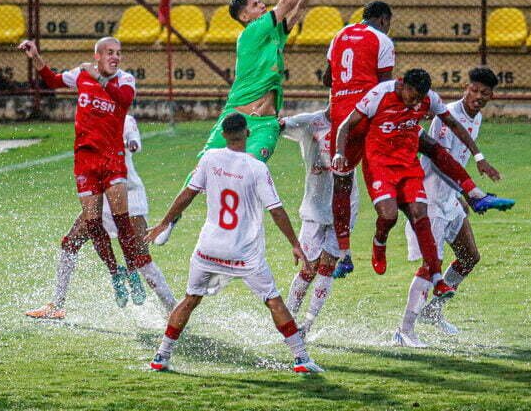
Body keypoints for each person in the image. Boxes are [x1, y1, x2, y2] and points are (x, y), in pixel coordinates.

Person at [153, 0, 334, 246]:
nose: (260, 5)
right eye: (254, 4)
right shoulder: (250, 34)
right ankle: (169, 221)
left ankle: (235, 239)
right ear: (244, 16)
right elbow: (286, 3)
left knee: (249, 176)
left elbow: (297, 8)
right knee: (201, 172)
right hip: (235, 118)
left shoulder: (273, 33)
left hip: (265, 125)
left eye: (259, 1)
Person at [322, 1, 514, 275]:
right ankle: (473, 194)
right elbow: (388, 90)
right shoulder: (382, 40)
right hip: (374, 116)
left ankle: (345, 253)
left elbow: (329, 78)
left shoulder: (339, 36)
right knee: (432, 148)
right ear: (385, 19)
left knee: (342, 182)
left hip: (343, 116)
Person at [144, 114, 323, 374]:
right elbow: (276, 210)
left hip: (209, 250)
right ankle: (301, 359)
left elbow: (187, 194)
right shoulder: (256, 168)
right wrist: (295, 243)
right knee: (273, 302)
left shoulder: (210, 158)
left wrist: (164, 223)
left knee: (190, 300)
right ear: (247, 134)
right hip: (244, 253)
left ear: (225, 135)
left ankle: (161, 355)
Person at [18, 37, 151, 306]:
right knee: (92, 224)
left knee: (122, 220)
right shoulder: (81, 74)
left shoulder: (124, 79)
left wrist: (101, 80)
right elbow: (53, 80)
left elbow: (124, 101)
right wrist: (35, 56)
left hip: (113, 159)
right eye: (110, 53)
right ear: (98, 56)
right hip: (85, 161)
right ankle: (116, 274)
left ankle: (134, 274)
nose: (116, 57)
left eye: (119, 53)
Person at [333, 69, 483, 306]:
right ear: (402, 84)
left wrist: (478, 155)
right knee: (389, 215)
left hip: (408, 165)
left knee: (419, 213)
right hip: (380, 164)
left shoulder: (428, 99)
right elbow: (345, 126)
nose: (415, 102)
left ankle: (437, 277)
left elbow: (452, 123)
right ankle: (379, 241)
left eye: (419, 98)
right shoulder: (379, 95)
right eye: (412, 95)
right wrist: (340, 152)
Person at [25, 115, 176, 320]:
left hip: (128, 195)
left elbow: (134, 143)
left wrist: (126, 144)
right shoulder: (89, 118)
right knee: (70, 242)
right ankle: (56, 305)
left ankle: (173, 309)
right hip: (100, 195)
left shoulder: (124, 118)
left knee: (141, 256)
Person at [398, 67, 499, 346]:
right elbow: (438, 162)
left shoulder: (475, 117)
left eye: (484, 93)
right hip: (430, 198)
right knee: (431, 266)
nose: (478, 96)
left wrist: (459, 197)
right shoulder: (449, 116)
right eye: (474, 90)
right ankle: (404, 330)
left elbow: (458, 161)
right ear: (465, 88)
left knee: (469, 257)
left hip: (450, 198)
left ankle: (433, 310)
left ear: (492, 95)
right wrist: (466, 192)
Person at [280, 106, 358, 338]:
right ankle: (287, 321)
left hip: (344, 208)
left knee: (326, 268)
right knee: (308, 267)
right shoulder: (309, 122)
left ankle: (307, 325)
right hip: (314, 208)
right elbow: (278, 126)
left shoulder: (356, 122)